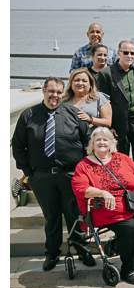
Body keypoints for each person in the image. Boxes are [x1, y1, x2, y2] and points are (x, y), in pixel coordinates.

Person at [12, 77, 89, 271]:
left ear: (63, 93)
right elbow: (19, 147)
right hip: (42, 177)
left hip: (70, 175)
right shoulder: (29, 115)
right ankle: (52, 253)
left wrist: (83, 172)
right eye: (51, 91)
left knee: (75, 214)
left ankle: (81, 249)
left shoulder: (73, 113)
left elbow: (87, 141)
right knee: (51, 217)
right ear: (44, 91)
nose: (55, 95)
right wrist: (29, 173)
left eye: (58, 92)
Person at [71, 126, 134, 285]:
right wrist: (102, 193)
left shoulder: (123, 158)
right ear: (92, 144)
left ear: (111, 142)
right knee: (131, 228)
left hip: (132, 205)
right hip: (104, 210)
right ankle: (128, 270)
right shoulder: (84, 165)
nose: (102, 142)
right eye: (98, 139)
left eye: (105, 139)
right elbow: (80, 189)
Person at [96, 39, 134, 159]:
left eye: (132, 53)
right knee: (119, 156)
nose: (129, 56)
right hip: (118, 123)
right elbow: (103, 102)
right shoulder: (106, 74)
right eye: (126, 52)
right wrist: (110, 126)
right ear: (119, 53)